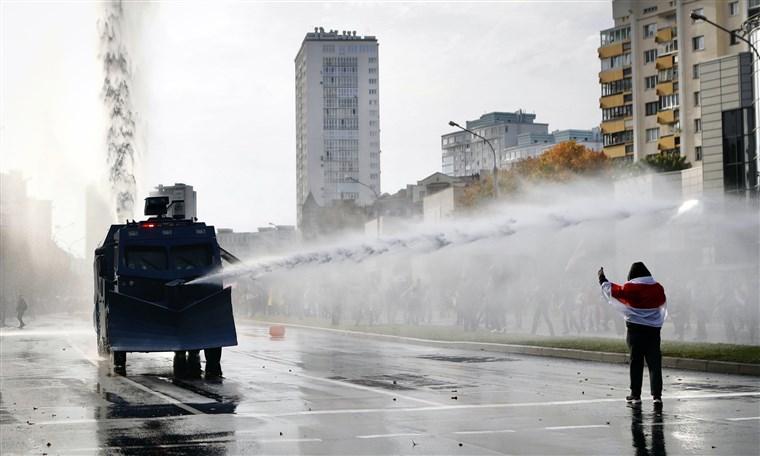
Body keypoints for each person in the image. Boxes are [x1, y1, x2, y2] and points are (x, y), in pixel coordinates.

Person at [598, 263, 667, 407]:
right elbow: (661, 302)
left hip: (635, 330)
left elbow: (615, 291)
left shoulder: (631, 288)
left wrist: (602, 278)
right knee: (654, 363)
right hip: (653, 331)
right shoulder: (658, 287)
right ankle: (657, 396)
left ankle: (636, 395)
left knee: (636, 361)